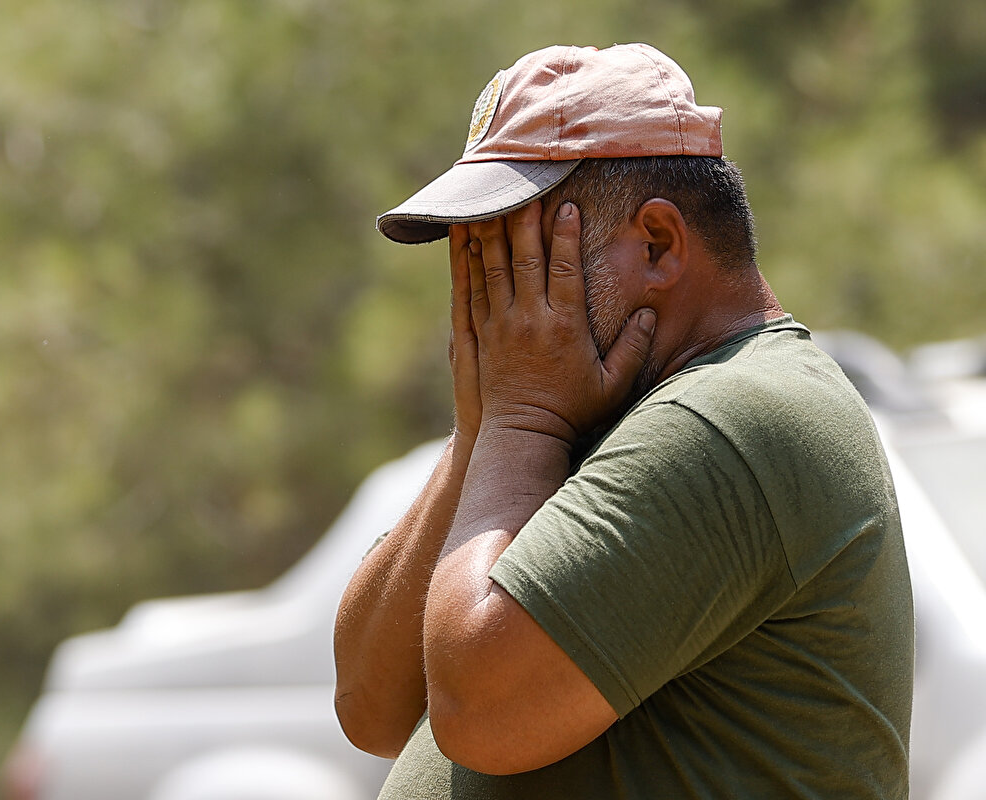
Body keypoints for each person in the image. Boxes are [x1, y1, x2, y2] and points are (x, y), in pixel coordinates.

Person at [332, 43, 914, 798]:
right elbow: (370, 707)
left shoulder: (735, 417)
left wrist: (519, 420)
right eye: (474, 266)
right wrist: (484, 430)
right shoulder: (584, 417)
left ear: (659, 244)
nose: (488, 306)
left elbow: (480, 711)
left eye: (522, 260)